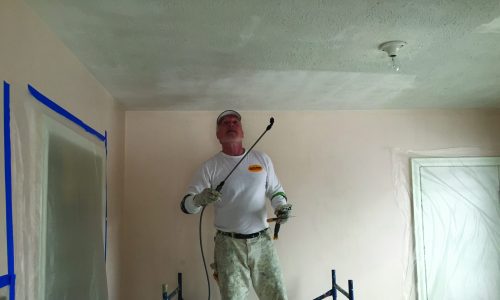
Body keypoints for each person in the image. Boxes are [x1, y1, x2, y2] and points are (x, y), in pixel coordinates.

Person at [180, 110, 292, 300]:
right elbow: (186, 206)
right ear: (218, 135)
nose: (231, 125)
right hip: (228, 246)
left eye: (235, 122)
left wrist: (281, 206)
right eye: (225, 123)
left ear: (242, 131)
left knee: (277, 295)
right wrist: (199, 199)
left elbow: (276, 190)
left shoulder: (261, 159)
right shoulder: (210, 167)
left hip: (262, 242)